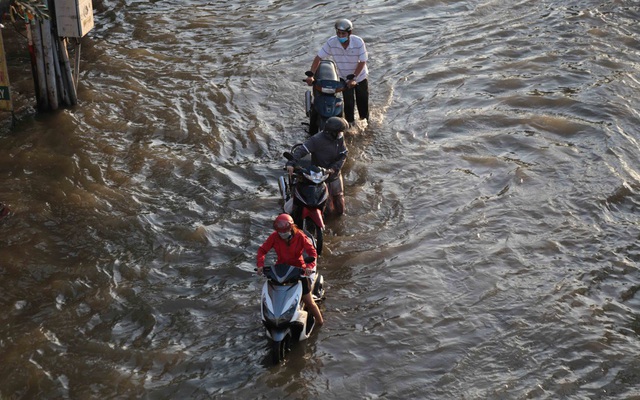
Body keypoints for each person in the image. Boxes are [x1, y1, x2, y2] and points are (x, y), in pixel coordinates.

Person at [256, 213, 324, 326]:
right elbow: (262, 250)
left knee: (309, 302)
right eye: (279, 232)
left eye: (284, 231)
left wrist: (308, 267)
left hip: (298, 270)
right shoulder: (274, 237)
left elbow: (312, 252)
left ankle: (320, 322)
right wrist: (260, 265)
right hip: (280, 270)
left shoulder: (300, 236)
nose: (282, 234)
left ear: (291, 228)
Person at [305, 18, 369, 126]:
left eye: (343, 34)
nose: (340, 36)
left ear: (350, 33)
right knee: (348, 107)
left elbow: (362, 61)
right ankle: (349, 129)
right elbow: (318, 58)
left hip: (360, 76)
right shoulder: (331, 42)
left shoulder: (358, 42)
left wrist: (354, 78)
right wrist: (311, 75)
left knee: (363, 106)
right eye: (338, 33)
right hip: (344, 77)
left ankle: (366, 129)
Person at [287, 116, 349, 218]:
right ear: (331, 132)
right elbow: (301, 151)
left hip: (335, 175)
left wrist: (334, 168)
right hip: (321, 177)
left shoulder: (340, 138)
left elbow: (343, 155)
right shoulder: (316, 140)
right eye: (338, 132)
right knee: (327, 209)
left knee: (340, 206)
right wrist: (291, 163)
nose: (340, 134)